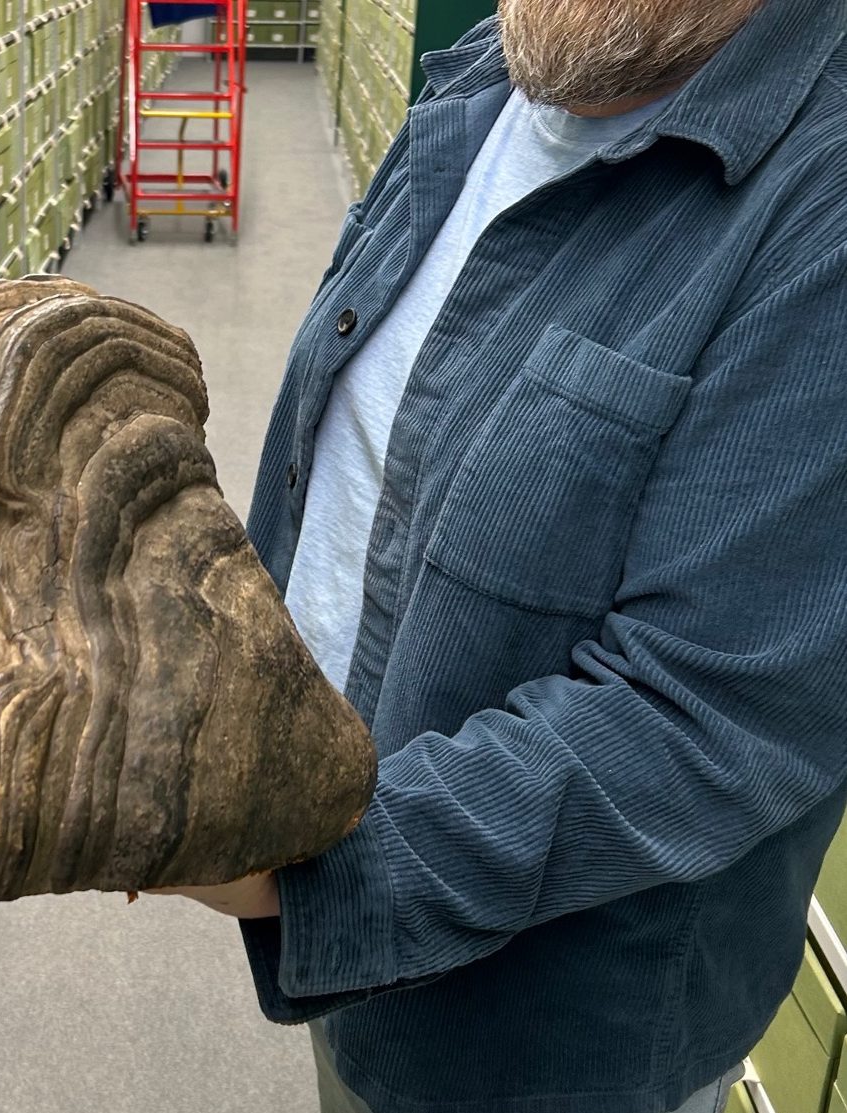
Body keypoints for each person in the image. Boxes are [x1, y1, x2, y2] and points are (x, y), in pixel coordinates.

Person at [154, 0, 847, 1110]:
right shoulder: (493, 72)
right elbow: (362, 458)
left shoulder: (821, 205)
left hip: (545, 1053)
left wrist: (297, 861)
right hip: (357, 971)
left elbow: (702, 722)